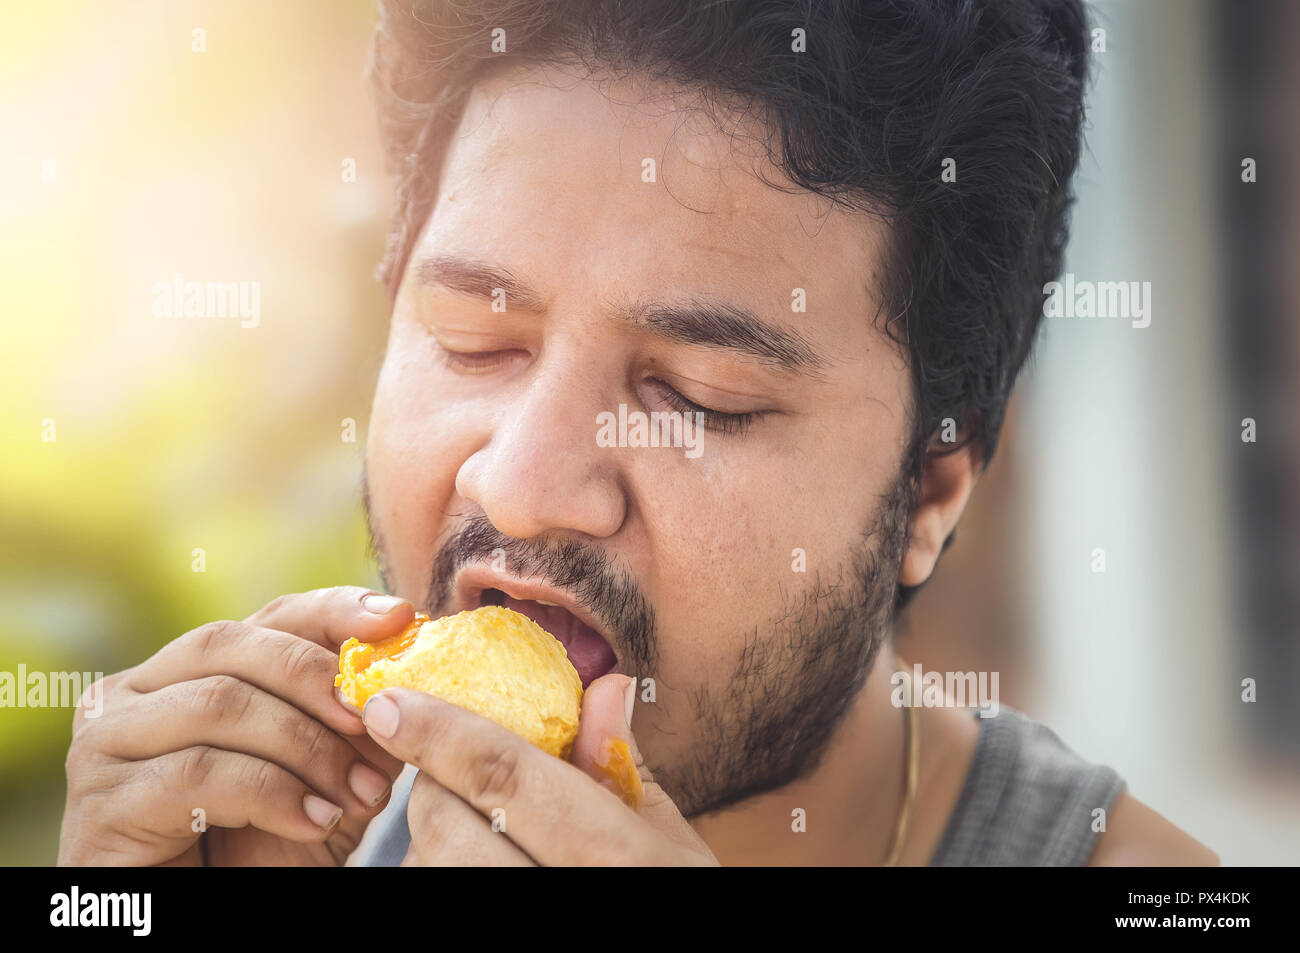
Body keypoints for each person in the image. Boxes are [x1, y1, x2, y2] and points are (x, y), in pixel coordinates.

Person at [59, 0, 1218, 866]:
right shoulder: (261, 839)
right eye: (473, 339)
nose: (517, 484)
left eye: (699, 396)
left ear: (929, 496)